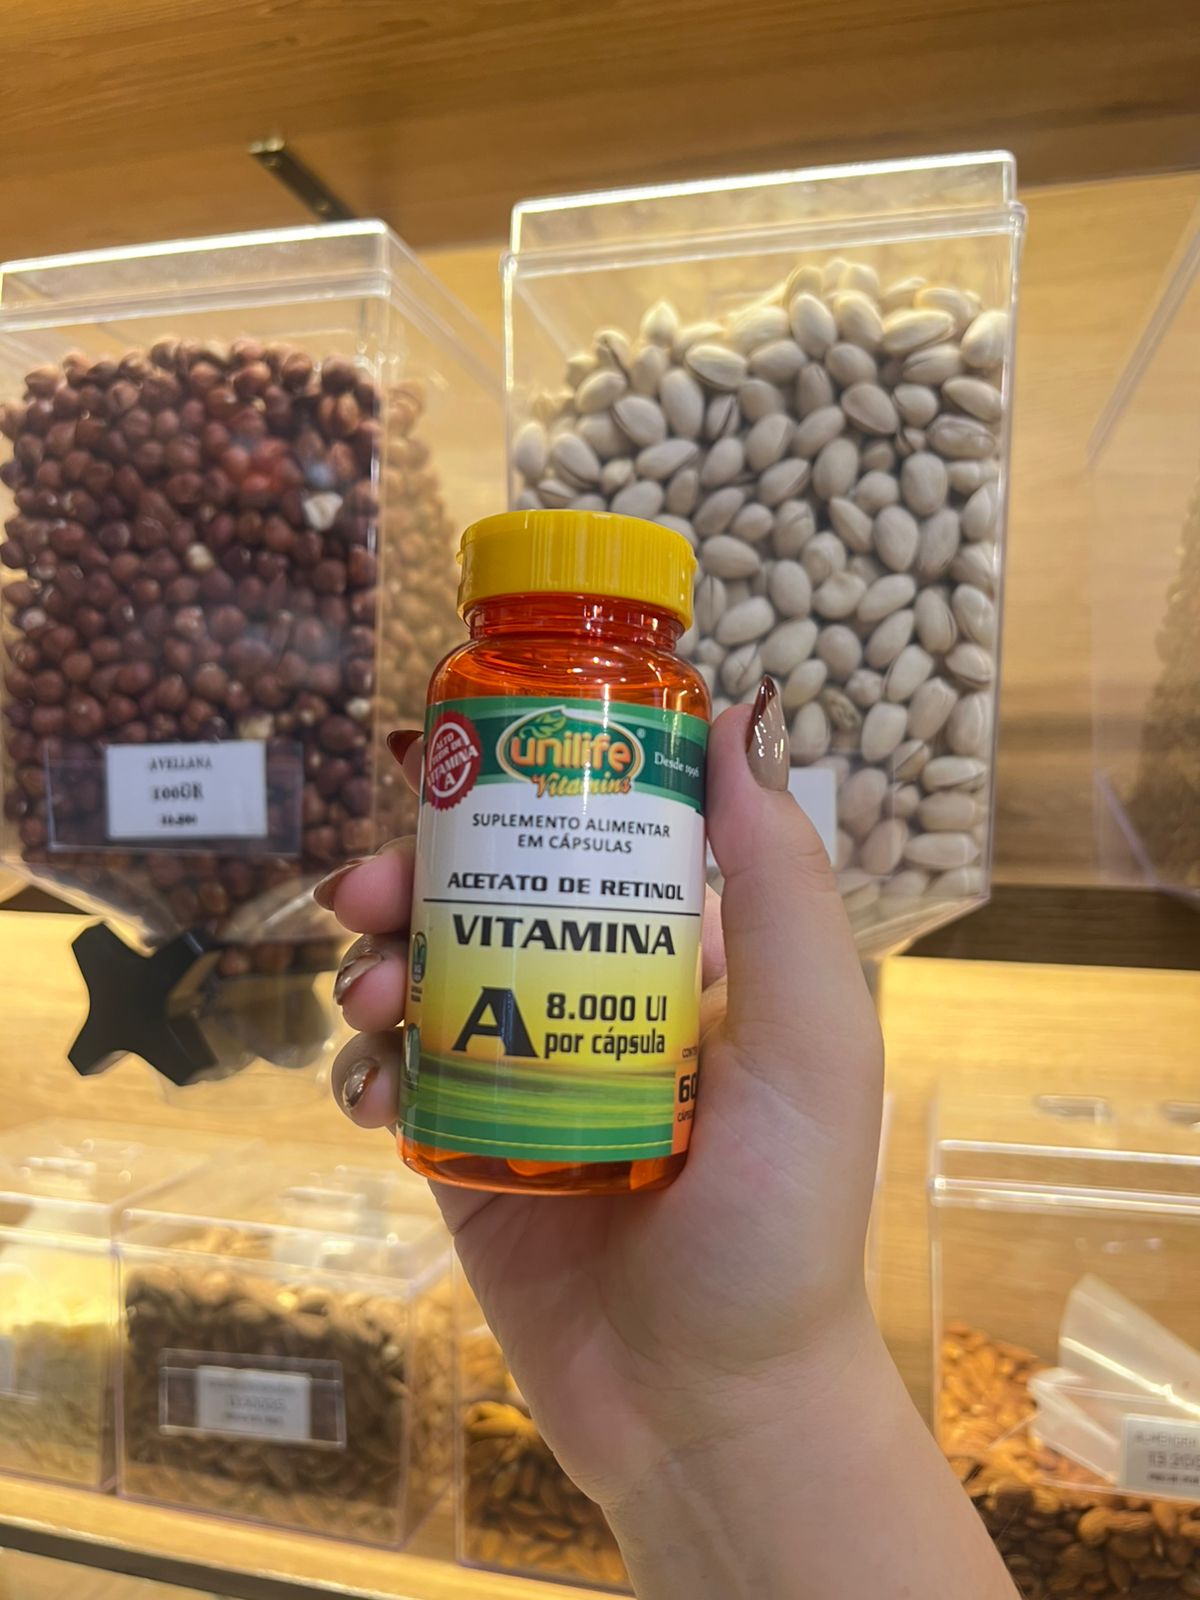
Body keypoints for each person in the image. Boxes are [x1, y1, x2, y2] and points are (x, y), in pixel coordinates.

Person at [317, 680, 1019, 1599]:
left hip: (638, 1115)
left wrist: (750, 1391)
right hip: (501, 1109)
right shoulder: (498, 684)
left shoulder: (664, 698)